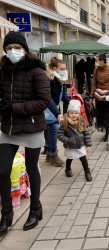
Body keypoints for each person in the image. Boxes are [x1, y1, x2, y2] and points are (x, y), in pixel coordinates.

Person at [0, 31, 50, 236]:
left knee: (32, 169)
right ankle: (6, 214)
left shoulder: (37, 71)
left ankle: (35, 209)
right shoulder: (2, 70)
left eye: (17, 48)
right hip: (8, 128)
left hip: (31, 127)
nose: (13, 51)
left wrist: (13, 107)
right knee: (2, 170)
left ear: (25, 49)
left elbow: (43, 101)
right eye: (9, 48)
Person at [57, 100, 92, 181]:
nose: (74, 115)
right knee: (70, 157)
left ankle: (87, 172)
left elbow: (86, 133)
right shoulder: (64, 122)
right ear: (68, 113)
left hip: (80, 144)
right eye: (72, 113)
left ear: (78, 114)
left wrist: (88, 145)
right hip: (70, 145)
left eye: (76, 113)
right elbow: (60, 135)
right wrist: (68, 140)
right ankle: (68, 169)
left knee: (83, 158)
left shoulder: (81, 121)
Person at [45, 57, 71, 167]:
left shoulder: (60, 79)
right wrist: (57, 113)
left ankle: (50, 153)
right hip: (46, 109)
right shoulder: (49, 80)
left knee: (52, 132)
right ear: (54, 68)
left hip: (53, 109)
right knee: (53, 131)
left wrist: (73, 103)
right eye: (62, 68)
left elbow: (63, 94)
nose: (64, 70)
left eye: (65, 68)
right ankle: (52, 154)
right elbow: (48, 98)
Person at [90, 53, 109, 141]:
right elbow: (94, 83)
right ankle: (105, 130)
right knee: (99, 115)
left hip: (107, 96)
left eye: (97, 61)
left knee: (107, 116)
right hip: (98, 96)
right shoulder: (96, 69)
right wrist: (91, 95)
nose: (95, 63)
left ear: (102, 61)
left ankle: (108, 133)